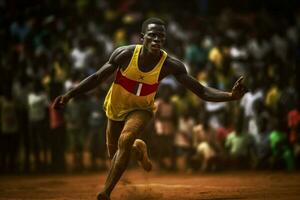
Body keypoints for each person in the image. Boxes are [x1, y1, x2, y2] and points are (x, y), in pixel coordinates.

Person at [52, 18, 247, 200]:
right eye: (152, 35)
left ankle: (105, 193)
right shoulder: (125, 54)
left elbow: (202, 91)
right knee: (117, 156)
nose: (156, 39)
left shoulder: (170, 65)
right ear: (142, 37)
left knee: (125, 139)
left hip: (141, 109)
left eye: (161, 36)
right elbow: (96, 78)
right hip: (114, 108)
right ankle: (139, 148)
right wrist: (69, 95)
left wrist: (230, 96)